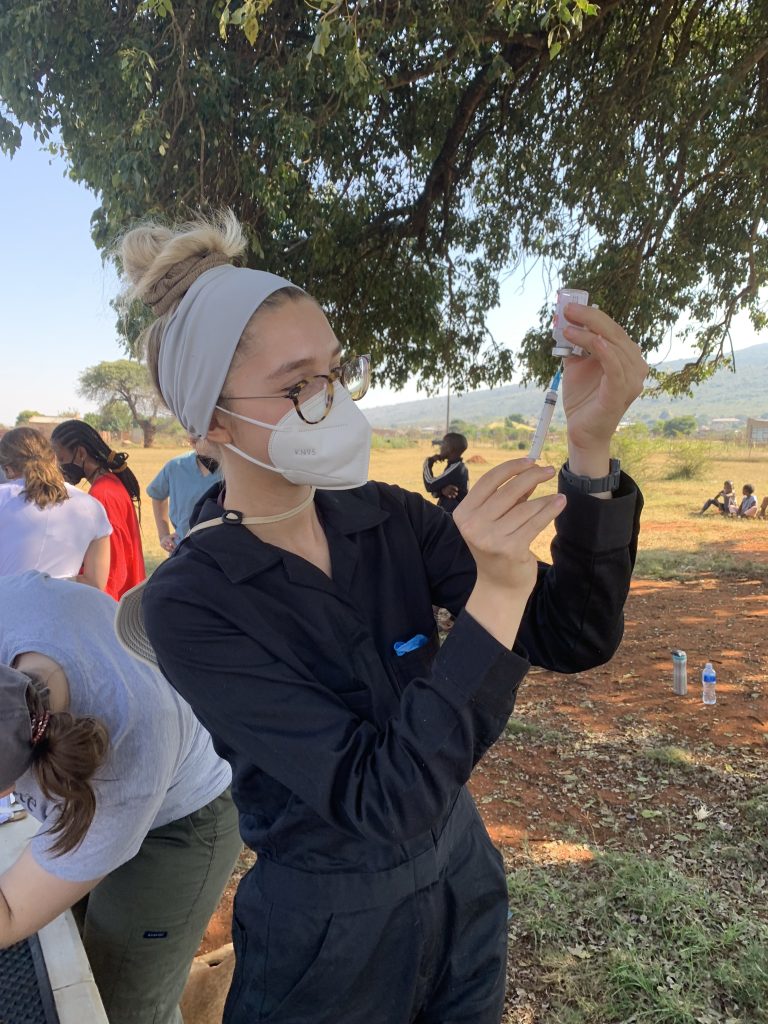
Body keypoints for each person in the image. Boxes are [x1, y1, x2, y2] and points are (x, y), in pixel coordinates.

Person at [113, 210, 646, 1024]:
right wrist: (494, 596)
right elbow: (380, 797)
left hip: (462, 882)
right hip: (327, 938)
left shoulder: (385, 516)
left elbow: (575, 633)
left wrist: (590, 450)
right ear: (211, 424)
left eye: (333, 372)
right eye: (298, 386)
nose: (331, 401)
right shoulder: (194, 602)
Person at [0, 571, 242, 1024]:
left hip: (183, 819)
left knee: (120, 1006)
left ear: (9, 788)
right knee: (70, 933)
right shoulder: (11, 606)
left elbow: (10, 911)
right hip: (127, 773)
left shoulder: (121, 768)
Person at [0, 427, 111, 588]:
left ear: (8, 469)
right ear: (53, 458)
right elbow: (95, 583)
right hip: (62, 608)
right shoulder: (91, 507)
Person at [50, 420, 145, 599]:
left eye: (61, 459)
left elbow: (112, 569)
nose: (59, 468)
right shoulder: (107, 485)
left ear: (80, 453)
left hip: (114, 604)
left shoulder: (104, 495)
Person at [147, 434, 222, 552]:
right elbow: (157, 495)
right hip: (183, 549)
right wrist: (163, 535)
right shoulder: (176, 466)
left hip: (221, 550)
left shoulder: (232, 470)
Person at [422, 432, 469, 514]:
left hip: (452, 516)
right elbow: (435, 491)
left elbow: (430, 484)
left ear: (450, 449)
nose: (440, 447)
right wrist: (442, 491)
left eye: (443, 443)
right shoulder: (455, 466)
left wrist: (428, 462)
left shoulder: (456, 468)